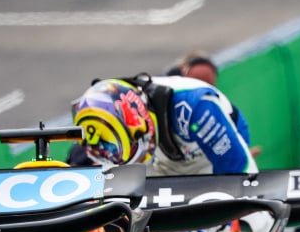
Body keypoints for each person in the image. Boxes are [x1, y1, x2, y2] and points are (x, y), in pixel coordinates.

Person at [71, 72, 256, 176]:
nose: (109, 153)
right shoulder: (97, 122)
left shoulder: (195, 107)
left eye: (113, 149)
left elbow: (240, 172)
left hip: (209, 157)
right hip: (165, 162)